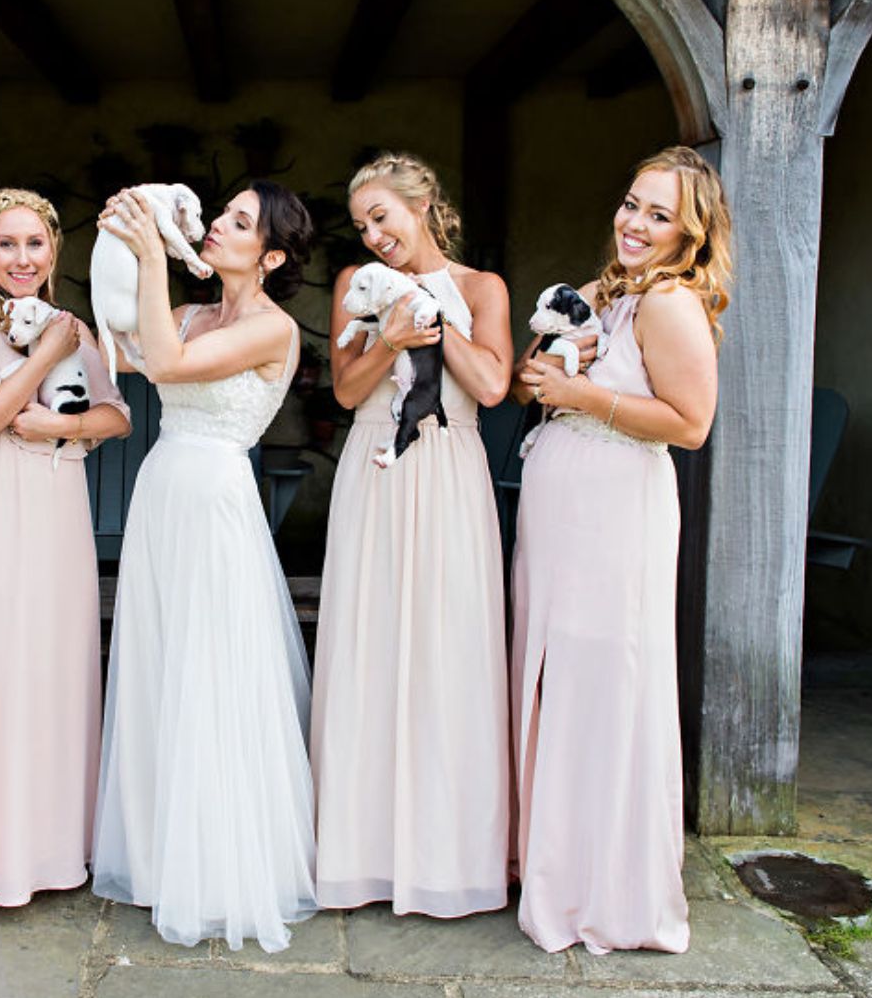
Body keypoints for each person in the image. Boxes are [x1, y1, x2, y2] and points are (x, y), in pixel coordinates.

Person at [509, 145, 731, 955]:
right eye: (632, 204)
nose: (635, 224)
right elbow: (545, 377)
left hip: (616, 515)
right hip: (561, 513)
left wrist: (581, 396)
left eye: (659, 215)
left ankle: (606, 890)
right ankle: (557, 867)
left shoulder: (670, 302)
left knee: (604, 686)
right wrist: (546, 378)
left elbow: (689, 424)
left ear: (690, 233)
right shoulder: (606, 292)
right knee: (559, 684)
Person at [90, 181, 318, 953]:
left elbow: (169, 364)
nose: (218, 225)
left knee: (213, 670)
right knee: (160, 665)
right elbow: (125, 353)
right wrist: (117, 250)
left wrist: (157, 256)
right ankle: (160, 856)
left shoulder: (271, 328)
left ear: (273, 254)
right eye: (222, 213)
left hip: (216, 498)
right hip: (162, 493)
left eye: (241, 222)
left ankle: (219, 867)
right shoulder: (192, 311)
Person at [311, 151, 515, 918]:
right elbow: (346, 386)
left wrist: (433, 320)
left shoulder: (481, 288)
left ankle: (448, 857)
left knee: (448, 648)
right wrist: (389, 336)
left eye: (382, 217)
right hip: (376, 469)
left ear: (421, 205)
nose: (373, 236)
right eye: (362, 225)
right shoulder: (351, 288)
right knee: (369, 642)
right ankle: (362, 856)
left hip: (451, 468)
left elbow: (493, 386)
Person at [0, 188, 130, 907]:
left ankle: (58, 847)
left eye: (36, 244)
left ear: (54, 251)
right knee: (0, 662)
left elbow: (117, 417)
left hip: (58, 506)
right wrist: (46, 352)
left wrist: (63, 428)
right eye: (8, 244)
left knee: (57, 664)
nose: (23, 258)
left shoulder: (76, 325)